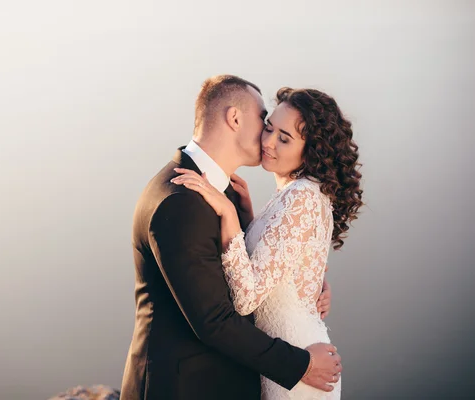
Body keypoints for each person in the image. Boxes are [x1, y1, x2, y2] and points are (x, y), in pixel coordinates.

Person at [121, 76, 342, 400]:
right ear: (235, 119)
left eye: (279, 133)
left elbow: (249, 266)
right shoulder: (180, 199)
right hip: (183, 388)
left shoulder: (223, 193)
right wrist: (302, 365)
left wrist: (303, 282)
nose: (267, 134)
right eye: (264, 121)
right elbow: (214, 320)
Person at [172, 86, 363, 399]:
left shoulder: (300, 198)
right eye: (269, 128)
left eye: (284, 139)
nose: (268, 142)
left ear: (311, 151)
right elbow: (284, 262)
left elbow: (247, 298)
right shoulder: (294, 192)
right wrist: (249, 217)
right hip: (287, 358)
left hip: (302, 366)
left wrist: (228, 214)